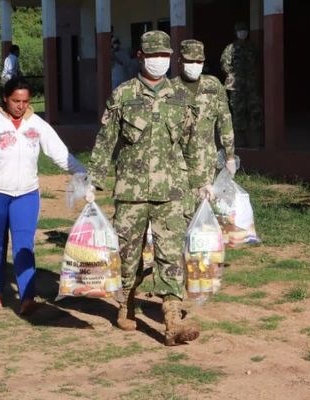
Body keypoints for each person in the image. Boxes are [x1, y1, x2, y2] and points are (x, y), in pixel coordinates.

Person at [85, 31, 216, 346]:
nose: (160, 61)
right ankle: (126, 302)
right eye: (154, 55)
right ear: (140, 57)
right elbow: (106, 142)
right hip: (131, 192)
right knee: (128, 255)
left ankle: (172, 322)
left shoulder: (181, 97)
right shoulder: (123, 95)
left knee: (170, 255)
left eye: (165, 56)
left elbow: (192, 143)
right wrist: (93, 180)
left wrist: (202, 182)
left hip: (172, 192)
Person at [0, 78, 86, 315]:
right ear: (5, 98)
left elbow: (58, 152)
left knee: (24, 245)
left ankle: (27, 296)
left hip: (26, 195)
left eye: (25, 101)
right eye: (16, 101)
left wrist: (80, 172)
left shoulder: (37, 124)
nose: (20, 106)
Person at [172, 39, 237, 189]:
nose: (195, 65)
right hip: (176, 162)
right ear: (180, 61)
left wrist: (230, 156)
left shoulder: (213, 86)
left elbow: (225, 122)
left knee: (205, 207)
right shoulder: (170, 89)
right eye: (190, 60)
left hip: (205, 162)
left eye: (199, 61)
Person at [220, 22, 263, 147]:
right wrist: (234, 75)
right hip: (237, 86)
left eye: (244, 30)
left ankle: (256, 140)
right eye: (240, 31)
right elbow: (224, 64)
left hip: (251, 85)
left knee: (255, 110)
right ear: (236, 33)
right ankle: (241, 141)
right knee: (238, 112)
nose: (242, 33)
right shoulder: (230, 48)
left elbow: (258, 61)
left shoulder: (253, 47)